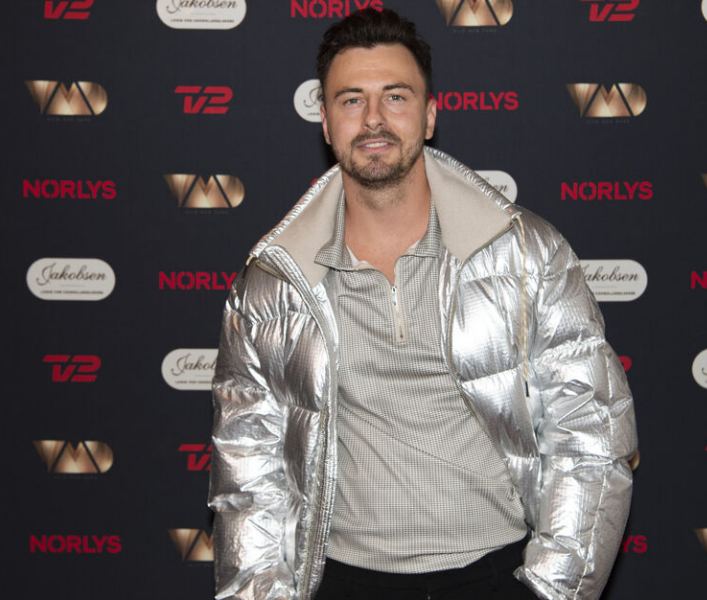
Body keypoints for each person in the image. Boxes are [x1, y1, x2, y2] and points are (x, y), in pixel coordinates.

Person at [209, 8, 637, 600]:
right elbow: (248, 471)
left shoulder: (525, 252)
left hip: (495, 577)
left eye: (396, 96)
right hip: (340, 582)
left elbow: (591, 432)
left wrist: (548, 592)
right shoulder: (274, 282)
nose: (374, 118)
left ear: (430, 115)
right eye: (352, 100)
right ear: (326, 122)